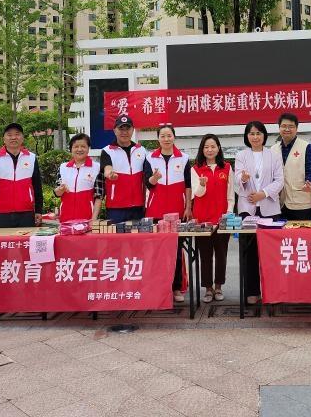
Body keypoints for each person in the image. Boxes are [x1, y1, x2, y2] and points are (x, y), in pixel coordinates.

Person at [235, 121, 284, 305]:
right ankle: (252, 292)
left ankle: (273, 292)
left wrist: (263, 194)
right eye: (251, 133)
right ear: (246, 136)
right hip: (247, 209)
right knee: (249, 252)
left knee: (271, 252)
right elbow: (237, 178)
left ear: (264, 135)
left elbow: (279, 180)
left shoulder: (274, 155)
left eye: (258, 133)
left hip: (269, 208)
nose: (255, 137)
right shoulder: (241, 155)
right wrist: (243, 178)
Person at [143, 125, 192, 303]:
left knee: (176, 251)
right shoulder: (150, 158)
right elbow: (147, 183)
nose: (166, 139)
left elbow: (188, 185)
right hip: (155, 211)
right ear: (158, 139)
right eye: (163, 136)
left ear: (174, 137)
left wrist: (188, 207)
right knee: (156, 251)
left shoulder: (184, 158)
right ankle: (158, 287)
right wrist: (154, 179)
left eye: (169, 135)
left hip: (177, 211)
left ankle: (177, 287)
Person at [191, 134, 234, 303]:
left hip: (222, 219)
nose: (209, 150)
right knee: (205, 255)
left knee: (221, 255)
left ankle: (218, 287)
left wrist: (228, 213)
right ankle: (208, 289)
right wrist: (202, 184)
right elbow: (197, 194)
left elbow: (230, 195)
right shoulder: (196, 169)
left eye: (213, 146)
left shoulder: (227, 168)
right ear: (202, 150)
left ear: (218, 148)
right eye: (206, 147)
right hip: (203, 221)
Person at [0, 122, 43, 228]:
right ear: (4, 139)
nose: (13, 137)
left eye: (17, 134)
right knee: (0, 239)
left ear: (22, 138)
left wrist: (38, 210)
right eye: (9, 135)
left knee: (26, 239)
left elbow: (37, 186)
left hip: (26, 213)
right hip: (0, 213)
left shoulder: (31, 158)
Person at [98, 115, 147, 223]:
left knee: (138, 234)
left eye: (127, 128)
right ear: (114, 130)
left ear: (133, 130)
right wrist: (110, 174)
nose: (124, 132)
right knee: (116, 234)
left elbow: (147, 176)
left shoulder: (141, 150)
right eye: (121, 129)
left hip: (138, 207)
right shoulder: (107, 151)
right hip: (116, 207)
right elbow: (107, 169)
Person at [270, 113, 311, 220]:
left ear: (296, 128)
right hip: (279, 203)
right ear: (279, 128)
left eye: (291, 126)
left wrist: (309, 182)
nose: (287, 129)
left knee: (302, 230)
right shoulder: (273, 149)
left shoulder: (306, 147)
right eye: (284, 126)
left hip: (301, 203)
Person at [53, 133, 102, 222]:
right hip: (66, 219)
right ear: (71, 149)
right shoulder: (63, 167)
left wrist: (94, 218)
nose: (79, 149)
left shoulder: (97, 168)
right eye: (76, 147)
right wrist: (60, 189)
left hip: (87, 219)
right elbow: (57, 193)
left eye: (83, 146)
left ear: (88, 148)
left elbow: (99, 196)